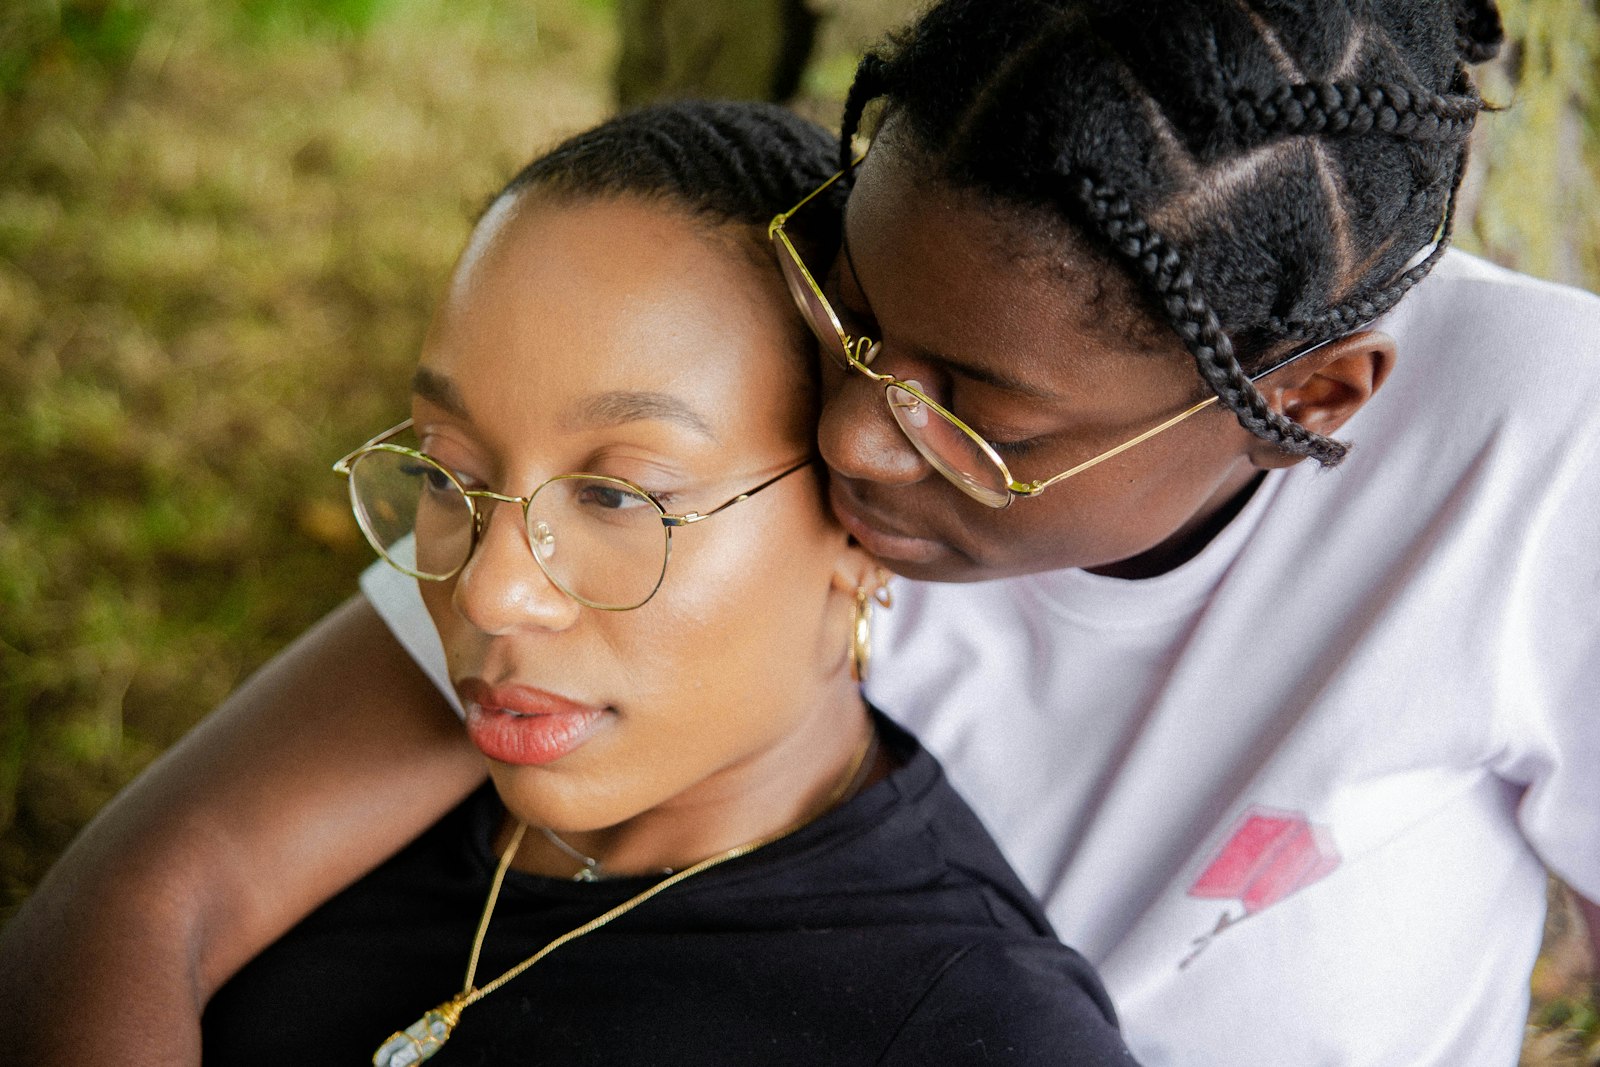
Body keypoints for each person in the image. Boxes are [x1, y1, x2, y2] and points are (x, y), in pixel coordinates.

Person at [3, 0, 1597, 1064]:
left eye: (974, 413)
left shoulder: (1540, 459)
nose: (848, 433)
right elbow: (156, 887)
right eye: (854, 323)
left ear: (1313, 399)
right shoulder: (765, 406)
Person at [195, 100, 1134, 1065]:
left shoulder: (976, 1028)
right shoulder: (360, 796)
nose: (489, 592)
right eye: (445, 471)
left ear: (863, 521)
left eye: (615, 495)